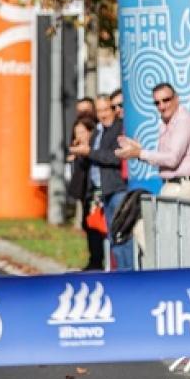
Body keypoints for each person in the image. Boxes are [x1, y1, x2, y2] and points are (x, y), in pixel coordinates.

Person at [70, 95, 133, 270]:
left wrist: (90, 151)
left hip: (117, 188)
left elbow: (114, 156)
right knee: (110, 235)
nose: (103, 114)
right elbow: (91, 157)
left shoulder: (119, 129)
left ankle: (127, 273)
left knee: (122, 235)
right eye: (99, 111)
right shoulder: (98, 131)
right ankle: (115, 271)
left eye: (106, 110)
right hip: (101, 191)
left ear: (113, 110)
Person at [116, 82, 190, 199]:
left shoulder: (183, 121)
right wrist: (138, 153)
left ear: (176, 98)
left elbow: (172, 159)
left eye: (166, 100)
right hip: (174, 185)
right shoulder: (166, 122)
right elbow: (163, 158)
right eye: (157, 103)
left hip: (182, 186)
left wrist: (140, 153)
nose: (161, 106)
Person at [67, 116, 105, 271]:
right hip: (85, 194)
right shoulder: (79, 152)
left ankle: (99, 260)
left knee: (98, 226)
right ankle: (94, 259)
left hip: (96, 192)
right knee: (88, 225)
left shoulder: (94, 149)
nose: (79, 136)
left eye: (82, 132)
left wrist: (85, 152)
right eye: (77, 133)